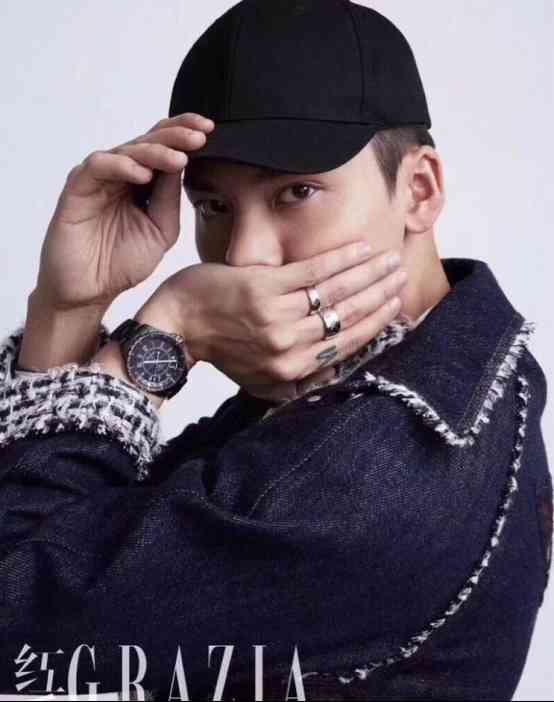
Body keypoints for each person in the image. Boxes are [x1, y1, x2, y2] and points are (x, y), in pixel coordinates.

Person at [0, 1, 551, 699]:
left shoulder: (372, 468)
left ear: (419, 190)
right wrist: (69, 307)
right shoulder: (412, 376)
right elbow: (83, 537)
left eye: (296, 191)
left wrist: (165, 333)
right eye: (214, 207)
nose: (244, 256)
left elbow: (18, 629)